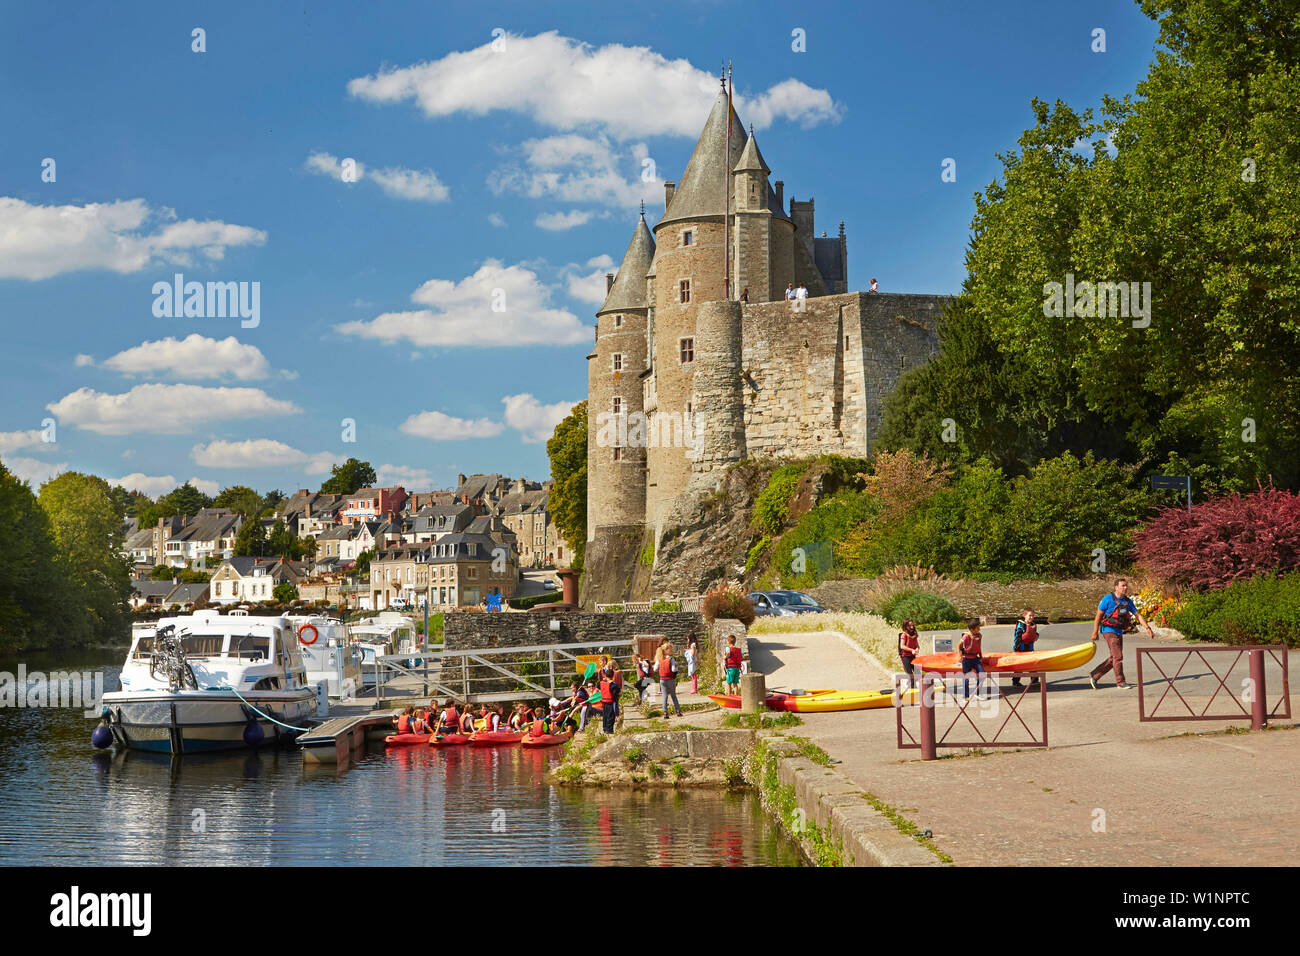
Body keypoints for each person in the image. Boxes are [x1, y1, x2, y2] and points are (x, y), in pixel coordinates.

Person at [1090, 577, 1151, 690]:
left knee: (1114, 657)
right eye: (1123, 585)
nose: (1125, 587)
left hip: (1118, 631)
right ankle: (1120, 682)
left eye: (1126, 585)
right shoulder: (1107, 599)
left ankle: (1095, 675)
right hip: (1108, 630)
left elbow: (1138, 615)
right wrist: (1095, 632)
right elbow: (1098, 616)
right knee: (1118, 656)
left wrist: (1147, 628)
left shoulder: (1127, 601)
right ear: (1116, 587)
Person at [1010, 610, 1040, 689]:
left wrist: (1036, 635)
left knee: (1033, 664)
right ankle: (1015, 681)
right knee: (1019, 666)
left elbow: (1034, 635)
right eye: (1030, 615)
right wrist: (1017, 649)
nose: (1031, 617)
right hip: (1020, 648)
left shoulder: (1033, 625)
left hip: (1030, 648)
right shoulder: (1021, 624)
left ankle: (1034, 681)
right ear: (1024, 615)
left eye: (1033, 616)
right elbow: (1018, 636)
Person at [959, 619, 986, 700]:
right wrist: (960, 656)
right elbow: (959, 645)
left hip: (975, 659)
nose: (979, 630)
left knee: (982, 674)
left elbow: (978, 647)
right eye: (978, 628)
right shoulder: (966, 636)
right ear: (971, 629)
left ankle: (977, 693)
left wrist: (980, 657)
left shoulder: (978, 636)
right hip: (966, 659)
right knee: (966, 678)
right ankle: (966, 697)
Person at [659, 642, 684, 718]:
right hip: (670, 679)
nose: (672, 650)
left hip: (662, 679)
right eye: (670, 649)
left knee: (664, 696)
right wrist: (677, 668)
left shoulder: (660, 659)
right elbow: (673, 670)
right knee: (673, 695)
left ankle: (665, 713)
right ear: (667, 650)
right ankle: (678, 711)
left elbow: (655, 669)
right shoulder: (671, 658)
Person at [898, 619, 920, 689]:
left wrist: (917, 649)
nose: (912, 627)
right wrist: (912, 650)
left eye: (912, 625)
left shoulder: (914, 635)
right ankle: (912, 689)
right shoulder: (904, 635)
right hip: (905, 657)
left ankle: (910, 685)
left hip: (912, 657)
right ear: (905, 626)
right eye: (910, 626)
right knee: (910, 676)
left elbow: (917, 645)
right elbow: (902, 646)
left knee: (918, 674)